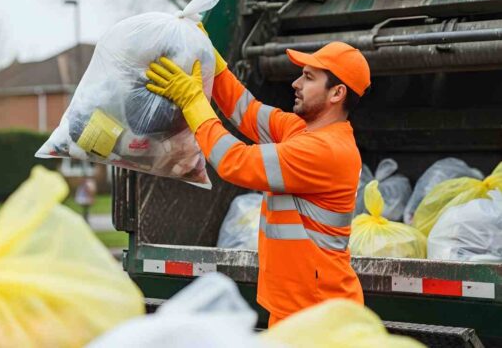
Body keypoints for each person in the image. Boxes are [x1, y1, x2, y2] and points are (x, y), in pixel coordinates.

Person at [145, 35, 371, 327]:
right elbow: (246, 110)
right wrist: (209, 54)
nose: (296, 84)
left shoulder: (325, 151)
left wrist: (192, 102)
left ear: (337, 93)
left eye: (308, 77)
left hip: (318, 316)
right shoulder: (301, 131)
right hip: (299, 306)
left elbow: (234, 161)